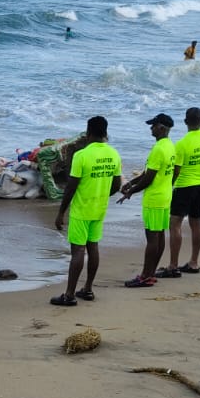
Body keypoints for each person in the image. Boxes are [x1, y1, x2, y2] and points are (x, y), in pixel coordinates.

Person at [52, 116, 120, 306]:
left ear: (88, 133)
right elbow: (117, 185)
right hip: (99, 209)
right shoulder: (114, 154)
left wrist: (60, 212)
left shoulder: (82, 155)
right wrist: (102, 194)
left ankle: (69, 295)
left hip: (82, 209)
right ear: (105, 133)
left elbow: (70, 187)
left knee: (78, 251)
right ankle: (88, 289)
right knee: (93, 247)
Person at [116, 113, 175, 287]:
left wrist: (130, 192)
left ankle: (145, 276)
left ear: (162, 128)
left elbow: (149, 178)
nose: (151, 128)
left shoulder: (158, 149)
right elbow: (148, 173)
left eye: (154, 125)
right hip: (165, 196)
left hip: (154, 198)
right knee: (160, 235)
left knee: (152, 238)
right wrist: (131, 183)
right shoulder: (170, 146)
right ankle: (151, 273)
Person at [161, 107, 200, 275]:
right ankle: (194, 262)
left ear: (186, 122)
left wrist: (169, 185)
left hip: (185, 186)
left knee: (175, 223)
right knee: (196, 222)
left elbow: (176, 170)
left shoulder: (181, 144)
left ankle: (173, 265)